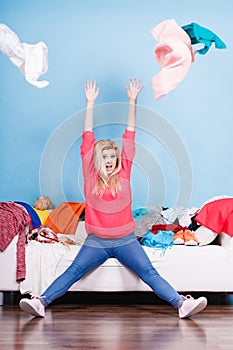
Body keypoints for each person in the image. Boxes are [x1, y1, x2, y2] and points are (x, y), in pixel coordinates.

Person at [19, 78, 207, 318]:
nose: (109, 160)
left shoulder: (124, 171)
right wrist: (89, 103)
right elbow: (87, 136)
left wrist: (132, 101)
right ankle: (40, 302)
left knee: (149, 273)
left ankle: (182, 304)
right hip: (96, 241)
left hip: (126, 240)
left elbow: (130, 135)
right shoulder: (90, 174)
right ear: (97, 160)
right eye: (104, 156)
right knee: (74, 270)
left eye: (112, 156)